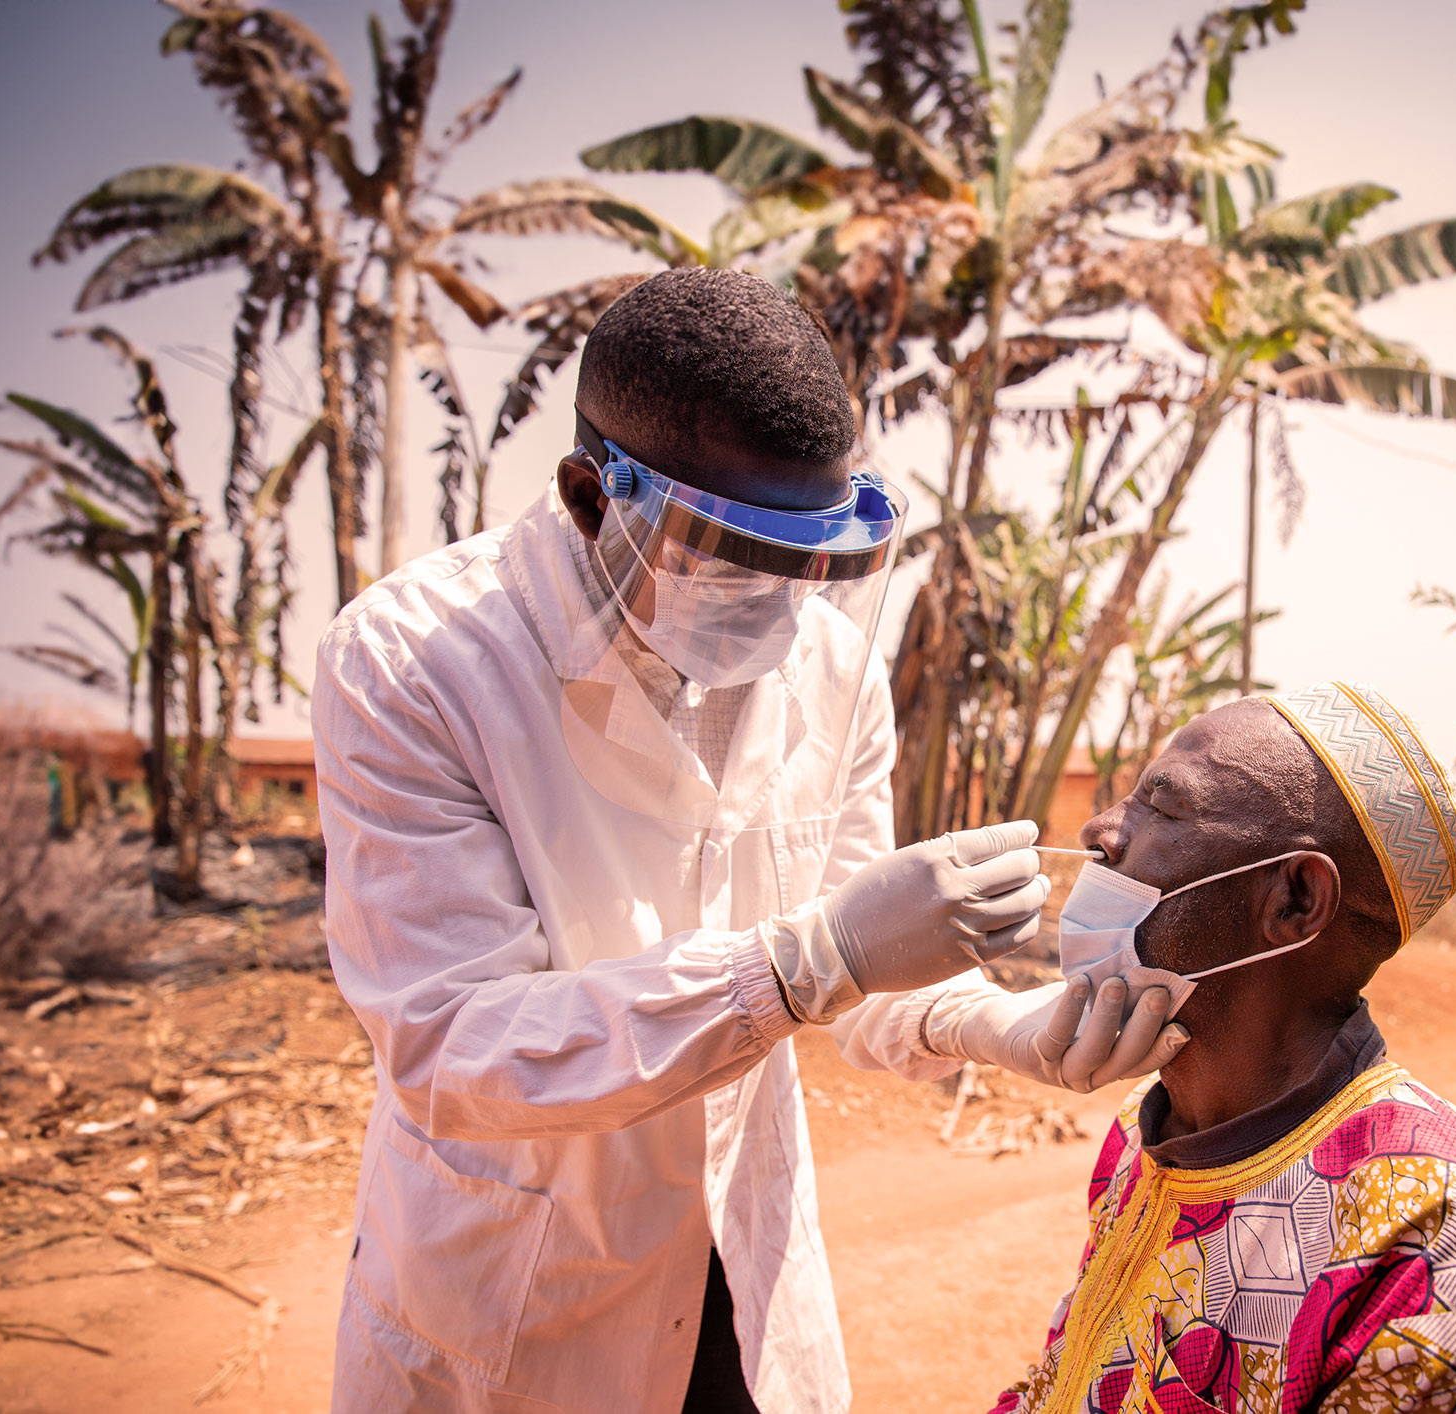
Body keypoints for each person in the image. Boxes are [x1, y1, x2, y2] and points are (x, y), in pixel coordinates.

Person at [313, 269, 1182, 1414]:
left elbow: (864, 974)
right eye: (738, 559)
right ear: (590, 494)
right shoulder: (413, 662)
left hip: (742, 1280)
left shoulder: (830, 669)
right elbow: (456, 1051)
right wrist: (802, 962)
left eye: (806, 562)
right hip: (519, 1308)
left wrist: (994, 1022)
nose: (780, 606)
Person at [984, 683, 1456, 1414]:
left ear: (1294, 902)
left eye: (1162, 805)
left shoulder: (1437, 1241)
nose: (1100, 828)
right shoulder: (1142, 1133)